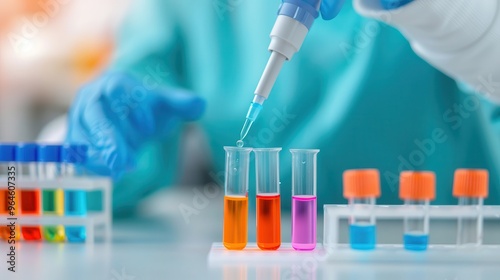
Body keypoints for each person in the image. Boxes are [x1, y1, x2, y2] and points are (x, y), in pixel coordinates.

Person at [66, 0, 500, 213]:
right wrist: (109, 146)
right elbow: (146, 80)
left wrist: (461, 20)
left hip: (453, 247)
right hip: (272, 261)